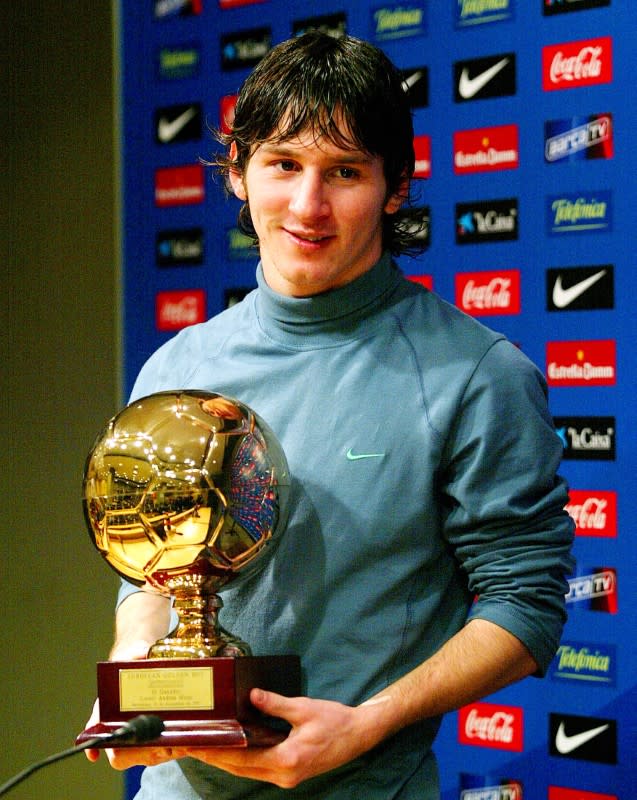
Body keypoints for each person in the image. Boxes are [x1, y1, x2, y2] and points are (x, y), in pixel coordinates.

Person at [86, 31, 574, 799]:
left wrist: (369, 721)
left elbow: (526, 605)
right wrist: (135, 676)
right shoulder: (177, 367)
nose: (308, 206)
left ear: (395, 187)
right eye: (283, 165)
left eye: (344, 172)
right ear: (238, 170)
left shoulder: (475, 373)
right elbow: (153, 577)